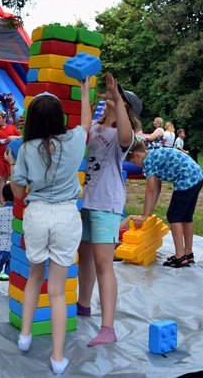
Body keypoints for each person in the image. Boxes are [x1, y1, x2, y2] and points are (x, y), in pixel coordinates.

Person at [10, 80, 91, 375]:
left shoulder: (26, 148)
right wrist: (84, 91)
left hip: (38, 214)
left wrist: (12, 171)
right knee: (57, 291)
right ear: (59, 118)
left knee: (34, 276)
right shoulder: (75, 140)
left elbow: (18, 194)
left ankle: (25, 335)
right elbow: (86, 122)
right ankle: (57, 358)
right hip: (66, 216)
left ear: (32, 120)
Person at [78, 73, 140, 347]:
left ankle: (108, 328)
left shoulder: (123, 135)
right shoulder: (95, 127)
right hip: (86, 201)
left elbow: (127, 136)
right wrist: (85, 92)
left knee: (104, 263)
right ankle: (83, 305)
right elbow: (82, 130)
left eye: (119, 100)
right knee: (86, 258)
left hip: (106, 205)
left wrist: (117, 98)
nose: (111, 100)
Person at [127, 141, 203, 268]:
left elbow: (150, 189)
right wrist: (149, 211)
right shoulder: (154, 155)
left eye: (133, 162)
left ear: (137, 155)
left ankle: (180, 257)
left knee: (174, 216)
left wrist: (144, 216)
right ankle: (188, 253)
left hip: (186, 179)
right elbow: (157, 187)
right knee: (186, 216)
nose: (136, 166)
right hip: (197, 176)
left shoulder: (148, 161)